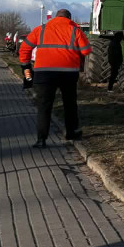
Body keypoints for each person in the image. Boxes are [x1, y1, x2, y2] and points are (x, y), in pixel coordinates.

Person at [17, 9, 92, 148]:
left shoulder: (41, 29)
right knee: (69, 104)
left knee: (44, 106)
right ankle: (71, 133)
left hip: (43, 73)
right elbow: (86, 50)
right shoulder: (75, 31)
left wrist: (26, 66)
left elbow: (24, 48)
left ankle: (41, 140)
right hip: (68, 74)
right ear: (69, 18)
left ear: (56, 17)